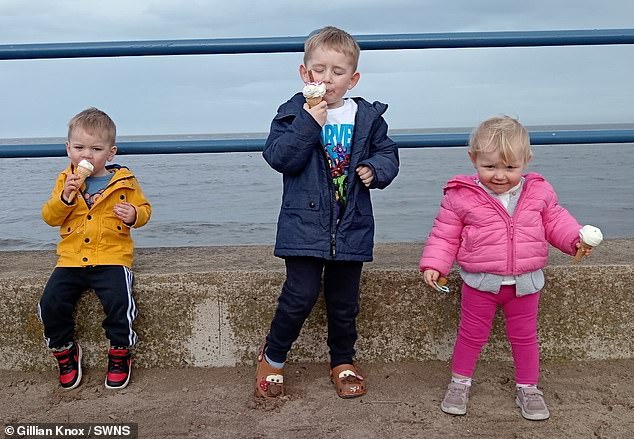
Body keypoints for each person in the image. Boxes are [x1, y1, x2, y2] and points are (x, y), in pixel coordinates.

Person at [419, 115, 600, 420]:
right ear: (473, 159)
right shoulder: (460, 196)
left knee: (525, 337)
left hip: (526, 284)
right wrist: (435, 263)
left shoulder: (539, 192)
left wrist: (576, 239)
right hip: (480, 283)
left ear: (526, 161)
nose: (500, 175)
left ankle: (528, 388)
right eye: (489, 167)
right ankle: (459, 382)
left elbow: (556, 222)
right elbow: (444, 234)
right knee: (470, 336)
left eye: (510, 167)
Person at [255, 26, 399, 399]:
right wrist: (309, 121)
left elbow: (388, 154)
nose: (328, 79)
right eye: (319, 70)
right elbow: (280, 158)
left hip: (351, 225)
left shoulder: (367, 118)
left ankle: (343, 360)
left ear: (352, 79)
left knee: (344, 302)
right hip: (304, 225)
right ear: (306, 74)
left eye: (338, 72)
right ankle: (273, 356)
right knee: (298, 296)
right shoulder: (291, 114)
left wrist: (376, 169)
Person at [38, 107, 152, 390]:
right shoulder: (64, 181)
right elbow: (50, 217)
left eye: (96, 149)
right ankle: (64, 351)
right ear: (68, 149)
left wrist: (134, 215)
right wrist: (65, 198)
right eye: (79, 148)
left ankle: (120, 351)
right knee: (50, 303)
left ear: (110, 153)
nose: (86, 155)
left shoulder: (124, 181)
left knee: (120, 303)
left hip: (111, 256)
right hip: (71, 259)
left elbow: (146, 210)